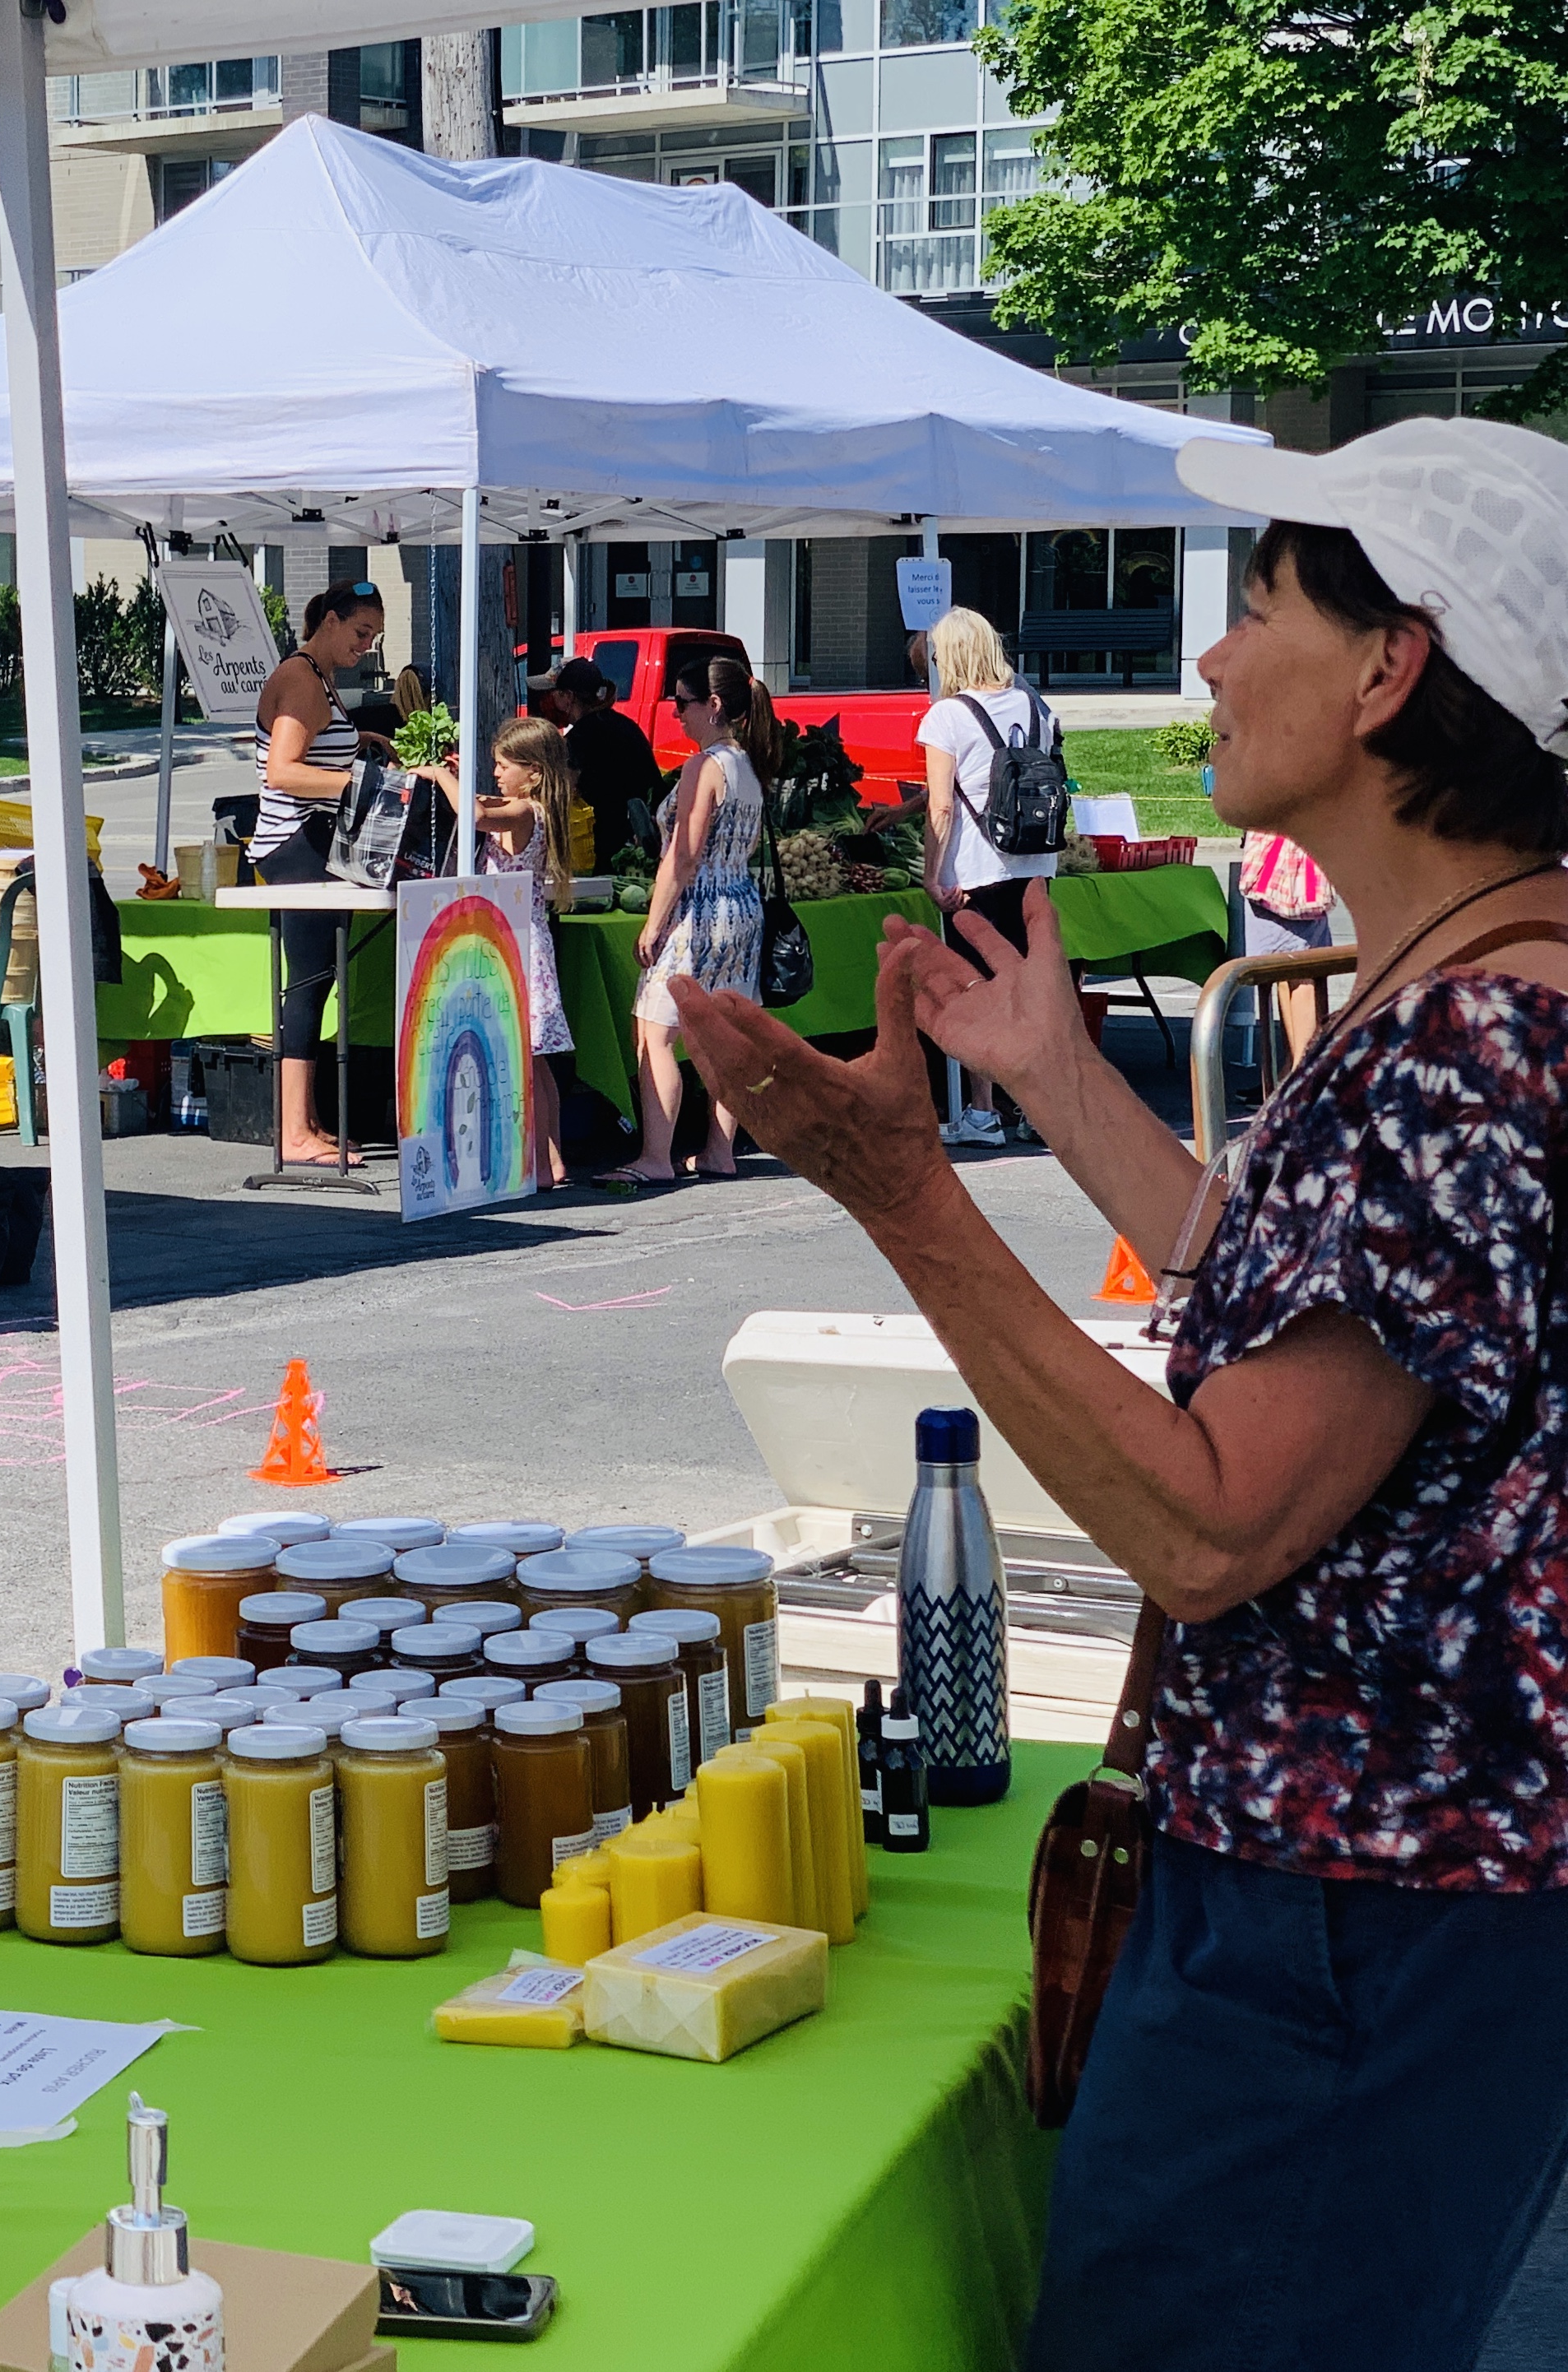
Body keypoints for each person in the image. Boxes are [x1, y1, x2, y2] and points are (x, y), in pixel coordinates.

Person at [663, 415, 1568, 2372]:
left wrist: (902, 1191)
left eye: (1256, 609)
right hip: (1385, 1926)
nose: (1214, 661)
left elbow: (1210, 1514)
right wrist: (1062, 1076)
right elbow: (1314, 1292)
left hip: (1347, 1935)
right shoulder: (1481, 979)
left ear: (1393, 665)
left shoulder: (1467, 1039)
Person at [251, 583, 457, 1164]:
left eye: (374, 638)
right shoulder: (298, 678)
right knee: (309, 980)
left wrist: (357, 746)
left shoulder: (318, 678)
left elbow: (312, 755)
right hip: (293, 844)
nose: (366, 647)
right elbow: (282, 772)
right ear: (331, 620)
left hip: (311, 840)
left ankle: (306, 1119)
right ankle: (293, 1130)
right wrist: (362, 783)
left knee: (317, 979)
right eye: (360, 633)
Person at [602, 655, 782, 1186]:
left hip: (698, 909)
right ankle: (718, 1150)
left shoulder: (701, 767)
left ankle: (655, 1156)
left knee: (656, 1032)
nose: (675, 713)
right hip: (740, 905)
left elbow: (683, 854)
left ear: (713, 705)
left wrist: (653, 924)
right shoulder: (749, 765)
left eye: (682, 703)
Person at [915, 605, 1064, 1148]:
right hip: (1033, 866)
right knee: (1026, 990)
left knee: (977, 989)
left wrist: (930, 874)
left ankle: (981, 1112)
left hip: (974, 873)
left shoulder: (946, 716)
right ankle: (1033, 1104)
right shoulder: (1035, 705)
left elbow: (941, 806)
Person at [484, 715, 582, 1186]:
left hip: (517, 943)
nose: (497, 774)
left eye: (504, 766)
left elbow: (480, 815)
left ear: (534, 773)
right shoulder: (534, 810)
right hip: (524, 939)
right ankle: (553, 1158)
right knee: (536, 1062)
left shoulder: (525, 813)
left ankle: (541, 1165)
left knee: (526, 1059)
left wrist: (439, 775)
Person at [533, 654, 660, 873]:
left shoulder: (580, 737)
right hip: (640, 842)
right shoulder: (626, 725)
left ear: (567, 697)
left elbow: (561, 792)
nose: (548, 700)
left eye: (553, 693)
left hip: (603, 844)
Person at [1238, 826, 1336, 1065]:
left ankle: (1300, 1069)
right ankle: (1294, 1066)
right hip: (1288, 867)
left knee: (1301, 975)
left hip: (1283, 869)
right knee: (1292, 973)